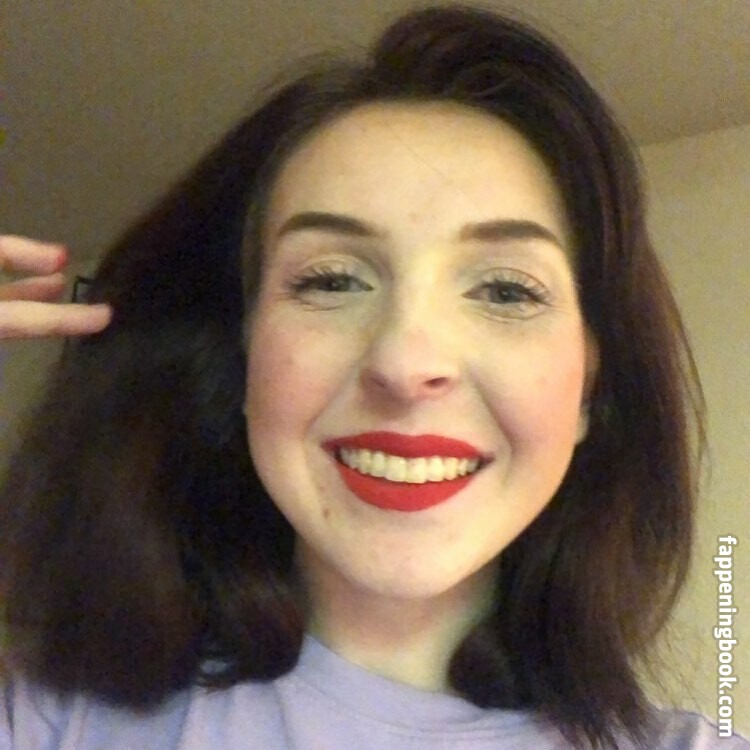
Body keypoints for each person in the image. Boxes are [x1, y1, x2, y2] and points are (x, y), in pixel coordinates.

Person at [0, 5, 746, 749]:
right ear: (243, 355)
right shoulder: (49, 718)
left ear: (590, 386)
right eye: (330, 280)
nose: (405, 364)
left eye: (506, 290)